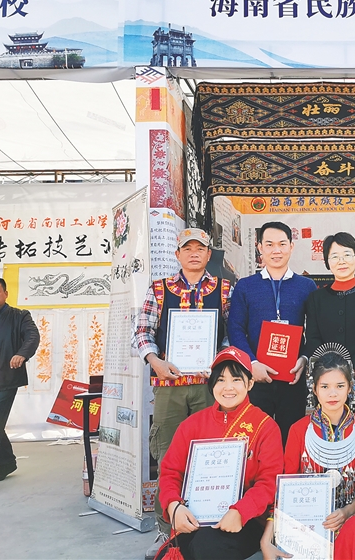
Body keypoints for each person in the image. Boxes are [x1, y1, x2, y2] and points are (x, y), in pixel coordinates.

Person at [133, 227, 233, 557]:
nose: (193, 253)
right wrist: (155, 361)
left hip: (209, 388)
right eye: (187, 248)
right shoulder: (159, 289)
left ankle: (208, 525)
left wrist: (217, 362)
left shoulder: (224, 289)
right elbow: (142, 331)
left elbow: (230, 335)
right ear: (177, 254)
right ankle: (167, 530)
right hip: (169, 387)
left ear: (208, 254)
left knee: (212, 456)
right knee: (168, 457)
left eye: (199, 248)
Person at [159, 346, 283, 560]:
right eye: (221, 380)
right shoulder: (192, 425)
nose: (228, 387)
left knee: (207, 547)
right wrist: (173, 506)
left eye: (236, 379)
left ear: (250, 383)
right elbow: (171, 471)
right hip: (194, 516)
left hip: (246, 520)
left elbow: (269, 482)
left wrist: (241, 511)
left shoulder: (265, 427)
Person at [261, 344, 355, 560]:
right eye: (324, 386)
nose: (332, 393)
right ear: (314, 389)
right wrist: (267, 536)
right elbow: (287, 486)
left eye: (340, 386)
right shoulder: (298, 430)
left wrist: (346, 511)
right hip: (308, 514)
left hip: (354, 513)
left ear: (350, 388)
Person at [228, 221, 317, 444]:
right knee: (256, 439)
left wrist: (304, 358)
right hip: (255, 379)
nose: (276, 250)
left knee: (291, 439)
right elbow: (235, 328)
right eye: (269, 244)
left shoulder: (306, 286)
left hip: (292, 378)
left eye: (282, 244)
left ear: (291, 246)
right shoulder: (245, 286)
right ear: (260, 247)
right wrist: (252, 363)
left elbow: (315, 328)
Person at [304, 232, 355, 427]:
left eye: (347, 255)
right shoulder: (316, 299)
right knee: (329, 433)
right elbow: (313, 338)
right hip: (327, 382)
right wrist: (330, 372)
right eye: (334, 256)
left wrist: (351, 368)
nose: (341, 261)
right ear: (327, 262)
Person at [0, 278, 39, 483]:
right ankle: (7, 462)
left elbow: (32, 337)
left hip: (3, 380)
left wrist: (22, 354)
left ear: (5, 294)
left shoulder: (19, 316)